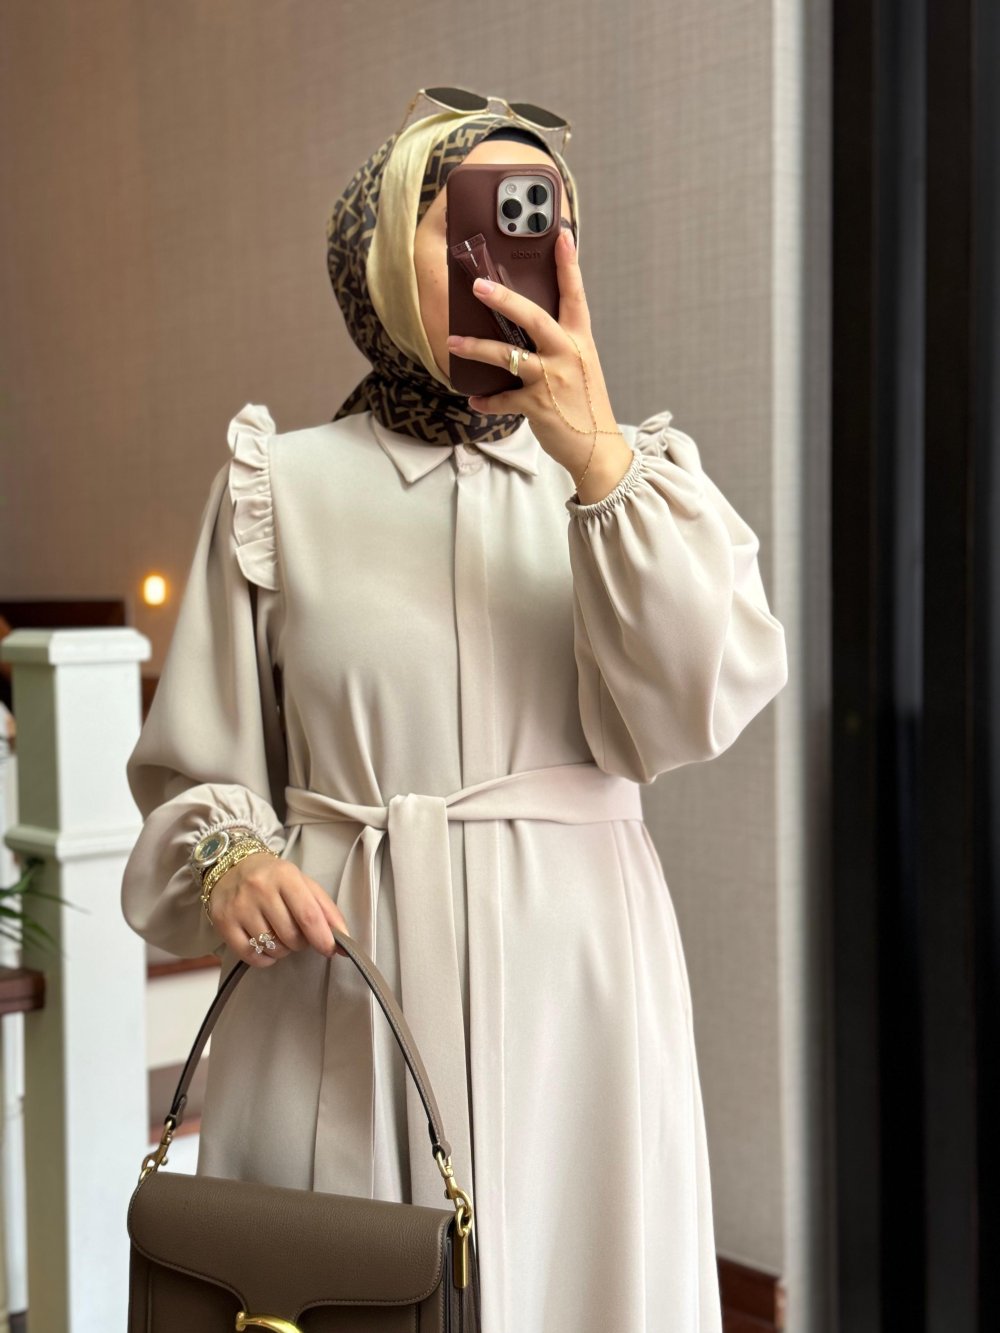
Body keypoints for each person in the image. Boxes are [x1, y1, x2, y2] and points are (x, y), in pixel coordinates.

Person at [120, 98, 788, 1333]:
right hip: (340, 984)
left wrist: (597, 463)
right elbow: (195, 774)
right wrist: (230, 861)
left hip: (576, 985)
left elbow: (699, 704)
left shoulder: (636, 485)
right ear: (381, 251)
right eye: (467, 216)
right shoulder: (278, 486)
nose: (508, 253)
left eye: (544, 220)